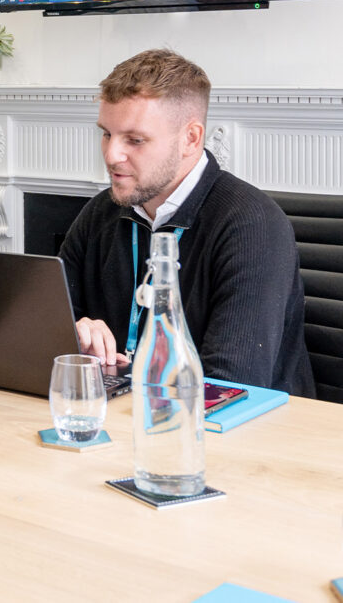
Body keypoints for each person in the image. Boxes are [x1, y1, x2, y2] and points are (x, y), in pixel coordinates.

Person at [60, 48, 314, 395]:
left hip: (246, 433)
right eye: (106, 133)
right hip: (127, 415)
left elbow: (230, 385)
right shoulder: (101, 212)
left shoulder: (253, 225)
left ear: (190, 139)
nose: (111, 154)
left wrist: (123, 376)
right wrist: (75, 333)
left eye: (134, 140)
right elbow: (46, 327)